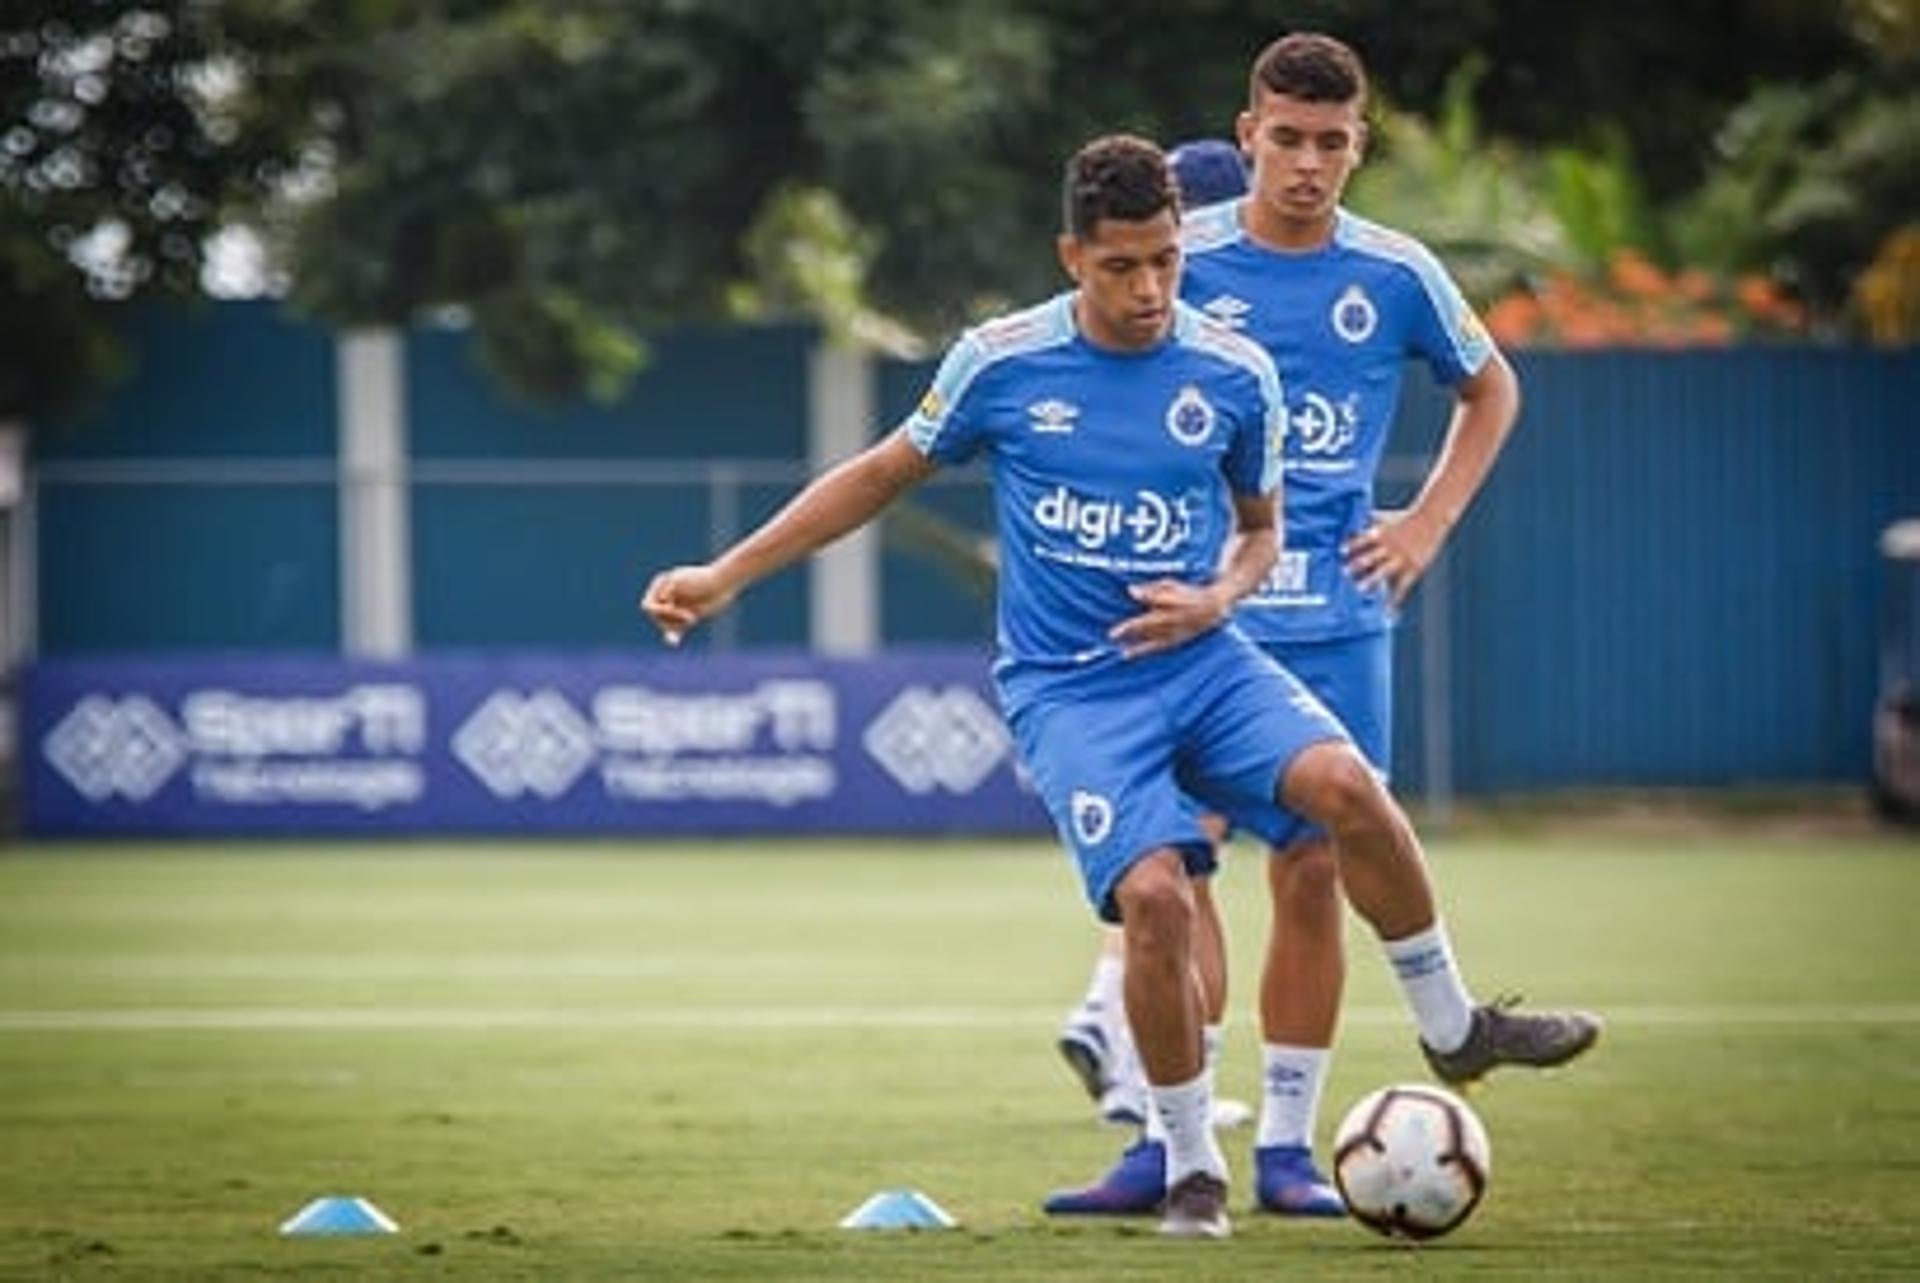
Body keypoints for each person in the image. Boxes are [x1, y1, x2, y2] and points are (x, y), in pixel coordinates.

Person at [642, 132, 1596, 1241]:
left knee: (1346, 787)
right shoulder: (1000, 363)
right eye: (1121, 267)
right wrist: (722, 575)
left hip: (1204, 660)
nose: (1149, 290)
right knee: (1152, 897)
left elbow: (1258, 533)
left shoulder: (1235, 375)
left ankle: (1452, 1025)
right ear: (1071, 256)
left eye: (1166, 263)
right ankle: (1190, 1161)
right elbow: (874, 477)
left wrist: (1221, 597)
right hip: (1073, 691)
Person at [1045, 32, 1600, 1223]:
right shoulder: (1175, 260)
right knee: (1172, 877)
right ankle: (1160, 1134)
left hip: (1337, 619)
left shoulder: (1395, 273)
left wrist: (1428, 521)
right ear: (1246, 137)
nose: (1306, 163)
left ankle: (1289, 1147)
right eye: (1285, 138)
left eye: (1331, 142)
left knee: (1310, 870)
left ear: (1361, 145)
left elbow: (1493, 383)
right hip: (1190, 620)